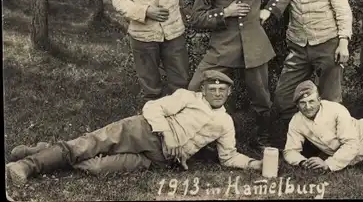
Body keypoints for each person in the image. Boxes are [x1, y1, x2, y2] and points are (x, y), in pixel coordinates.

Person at [6, 71, 263, 186]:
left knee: (97, 167)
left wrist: (253, 164)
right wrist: (168, 134)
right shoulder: (187, 97)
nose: (217, 93)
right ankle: (28, 165)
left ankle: (46, 151)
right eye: (212, 88)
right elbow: (152, 108)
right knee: (85, 146)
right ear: (203, 89)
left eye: (222, 90)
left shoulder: (225, 122)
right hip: (142, 130)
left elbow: (228, 156)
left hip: (160, 160)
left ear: (229, 92)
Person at [187, 0, 293, 150]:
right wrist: (225, 13)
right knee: (195, 89)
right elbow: (196, 18)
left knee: (262, 97)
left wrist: (267, 12)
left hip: (254, 46)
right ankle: (197, 138)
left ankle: (263, 139)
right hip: (222, 47)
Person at [250, 0, 353, 148]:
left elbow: (343, 10)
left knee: (330, 98)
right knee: (284, 96)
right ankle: (300, 141)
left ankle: (334, 145)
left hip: (327, 43)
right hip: (298, 46)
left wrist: (343, 42)